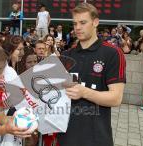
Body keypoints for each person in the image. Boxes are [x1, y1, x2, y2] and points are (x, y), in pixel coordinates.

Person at [57, 3, 126, 146]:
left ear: (95, 22)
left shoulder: (112, 53)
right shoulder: (66, 55)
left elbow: (116, 98)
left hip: (97, 138)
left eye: (83, 22)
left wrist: (84, 92)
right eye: (75, 23)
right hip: (65, 136)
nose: (77, 27)